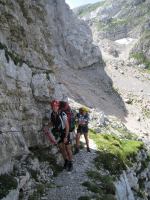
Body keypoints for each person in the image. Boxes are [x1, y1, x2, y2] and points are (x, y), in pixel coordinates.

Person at [50, 100, 73, 171]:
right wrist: (47, 127)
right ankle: (66, 161)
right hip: (60, 133)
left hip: (66, 132)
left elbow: (67, 126)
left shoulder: (62, 114)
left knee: (68, 148)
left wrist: (66, 137)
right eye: (53, 106)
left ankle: (71, 163)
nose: (54, 107)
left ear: (58, 106)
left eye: (56, 106)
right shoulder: (52, 114)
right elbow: (53, 122)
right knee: (61, 147)